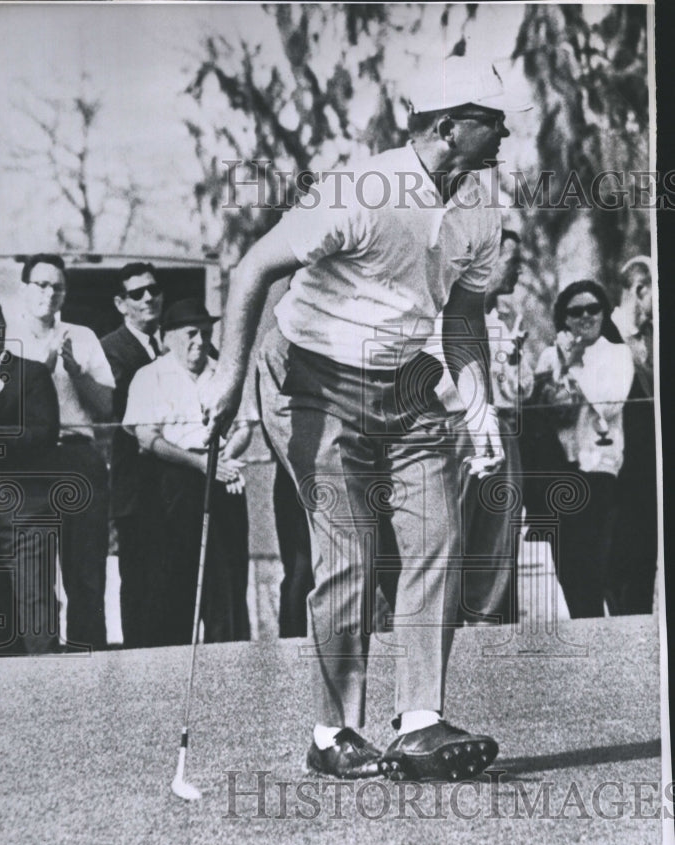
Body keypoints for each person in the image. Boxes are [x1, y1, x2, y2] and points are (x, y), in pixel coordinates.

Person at [198, 70, 519, 781]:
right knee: (347, 551)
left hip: (404, 381)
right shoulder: (360, 193)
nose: (506, 133)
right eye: (493, 120)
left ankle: (420, 723)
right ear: (447, 127)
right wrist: (227, 380)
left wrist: (480, 406)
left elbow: (463, 319)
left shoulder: (482, 207)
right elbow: (252, 270)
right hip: (307, 378)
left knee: (438, 530)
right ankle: (330, 732)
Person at [122, 298, 252, 645]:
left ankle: (229, 662)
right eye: (191, 334)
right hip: (171, 480)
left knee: (226, 579)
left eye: (206, 333)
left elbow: (243, 428)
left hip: (222, 475)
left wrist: (224, 459)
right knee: (172, 577)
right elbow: (147, 437)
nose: (199, 341)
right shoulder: (150, 376)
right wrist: (201, 465)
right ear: (167, 338)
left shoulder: (225, 374)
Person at [7, 254, 114, 650]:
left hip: (77, 455)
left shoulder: (82, 336)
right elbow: (6, 407)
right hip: (29, 460)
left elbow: (105, 408)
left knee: (86, 571)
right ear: (24, 289)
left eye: (57, 286)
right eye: (41, 284)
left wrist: (75, 371)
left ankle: (90, 662)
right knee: (34, 574)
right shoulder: (6, 336)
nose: (49, 294)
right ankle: (44, 669)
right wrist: (43, 368)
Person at [0, 297, 60, 655]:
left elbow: (46, 431)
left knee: (36, 608)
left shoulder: (32, 373)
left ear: (4, 328)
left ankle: (48, 690)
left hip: (24, 508)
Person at [534, 280, 634, 619]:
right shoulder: (551, 355)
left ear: (603, 312)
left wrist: (575, 365)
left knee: (597, 567)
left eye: (593, 309)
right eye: (575, 312)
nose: (585, 317)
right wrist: (561, 366)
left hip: (599, 471)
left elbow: (608, 404)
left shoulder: (617, 353)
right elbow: (546, 410)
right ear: (564, 317)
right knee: (568, 570)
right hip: (559, 473)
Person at [459, 229, 533, 624]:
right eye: (513, 261)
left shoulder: (505, 321)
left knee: (499, 536)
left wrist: (514, 357)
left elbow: (523, 391)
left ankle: (488, 624)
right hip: (456, 432)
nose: (518, 272)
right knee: (454, 533)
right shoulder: (449, 309)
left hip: (501, 430)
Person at [101, 263, 166, 648]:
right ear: (120, 303)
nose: (147, 298)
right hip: (136, 489)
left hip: (177, 485)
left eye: (153, 290)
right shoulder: (110, 350)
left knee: (171, 582)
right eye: (137, 293)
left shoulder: (180, 344)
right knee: (141, 584)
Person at [607, 256, 657, 615]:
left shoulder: (656, 334)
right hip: (616, 468)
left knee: (646, 557)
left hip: (649, 469)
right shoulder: (605, 332)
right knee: (618, 558)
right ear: (640, 289)